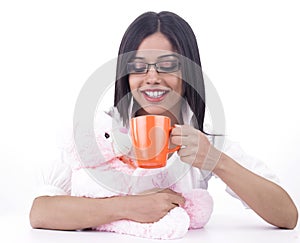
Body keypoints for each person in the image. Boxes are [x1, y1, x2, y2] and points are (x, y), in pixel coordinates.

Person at [29, 11, 298, 230]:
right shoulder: (101, 132)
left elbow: (287, 216)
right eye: (138, 66)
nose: (152, 77)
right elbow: (40, 212)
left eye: (167, 65)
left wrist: (217, 161)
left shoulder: (203, 139)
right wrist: (126, 206)